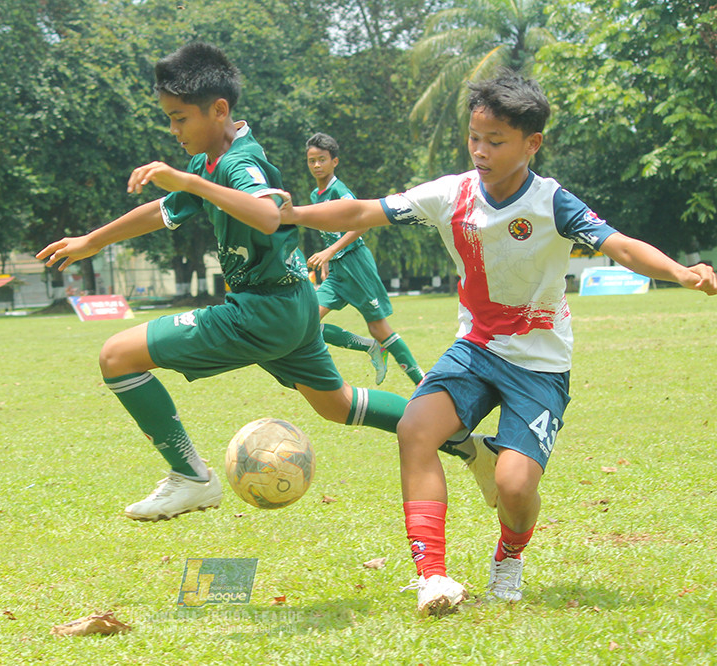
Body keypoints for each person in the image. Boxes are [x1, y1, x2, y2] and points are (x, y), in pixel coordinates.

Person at [287, 71, 717, 616]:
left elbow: (622, 247)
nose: (480, 151)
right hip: (476, 350)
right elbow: (363, 212)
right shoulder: (451, 193)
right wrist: (293, 215)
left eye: (496, 141)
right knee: (416, 429)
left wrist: (680, 272)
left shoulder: (552, 203)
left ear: (531, 143)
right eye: (474, 138)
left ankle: (508, 557)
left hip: (540, 365)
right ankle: (433, 577)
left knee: (514, 488)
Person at [36, 42, 494, 523]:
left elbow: (268, 213)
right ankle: (469, 446)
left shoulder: (238, 163)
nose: (173, 131)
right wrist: (93, 239)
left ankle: (192, 477)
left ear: (219, 110)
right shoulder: (211, 160)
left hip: (259, 312)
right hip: (293, 305)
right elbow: (163, 210)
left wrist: (189, 183)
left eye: (179, 118)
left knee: (116, 357)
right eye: (168, 119)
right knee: (339, 405)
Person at [305, 132, 425, 386]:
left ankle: (422, 383)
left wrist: (329, 252)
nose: (317, 165)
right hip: (338, 270)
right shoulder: (316, 195)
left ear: (334, 161)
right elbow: (329, 230)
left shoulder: (339, 190)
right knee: (306, 322)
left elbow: (361, 225)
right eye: (312, 160)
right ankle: (370, 348)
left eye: (322, 160)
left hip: (356, 264)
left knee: (379, 328)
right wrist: (328, 260)